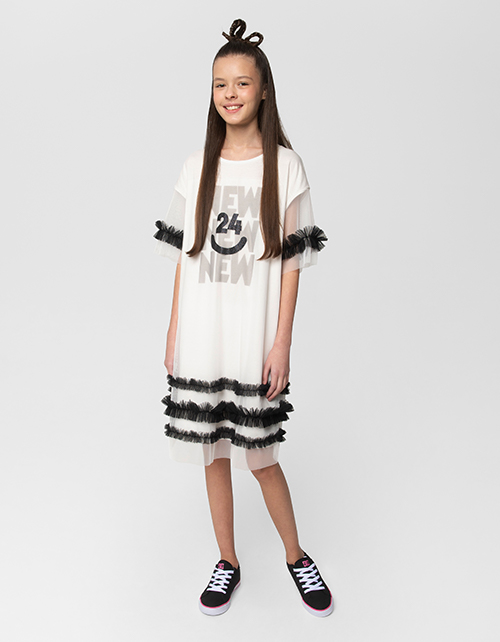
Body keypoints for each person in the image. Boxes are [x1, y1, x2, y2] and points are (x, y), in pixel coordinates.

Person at [153, 18, 332, 617]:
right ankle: (226, 560)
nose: (230, 94)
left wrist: (282, 343)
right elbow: (186, 258)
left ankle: (296, 556)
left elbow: (291, 264)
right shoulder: (195, 166)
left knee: (261, 457)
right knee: (213, 454)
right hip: (204, 333)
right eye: (219, 84)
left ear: (263, 90)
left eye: (241, 83)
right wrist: (175, 330)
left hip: (252, 334)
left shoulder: (285, 166)